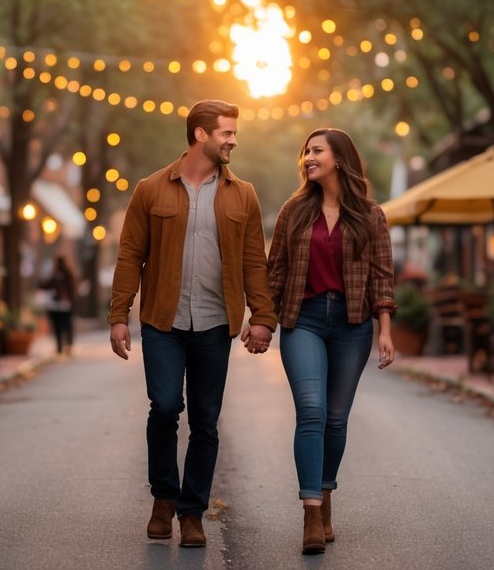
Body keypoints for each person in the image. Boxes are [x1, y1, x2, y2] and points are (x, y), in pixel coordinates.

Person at [109, 99, 276, 549]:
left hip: (214, 325)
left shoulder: (243, 194)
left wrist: (263, 316)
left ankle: (192, 512)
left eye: (234, 133)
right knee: (164, 408)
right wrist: (118, 315)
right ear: (201, 134)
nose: (233, 140)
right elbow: (130, 256)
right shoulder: (150, 189)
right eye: (226, 133)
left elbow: (253, 262)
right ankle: (163, 498)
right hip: (162, 322)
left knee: (205, 421)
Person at [266, 128, 396, 555]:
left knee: (337, 419)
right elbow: (276, 271)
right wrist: (262, 321)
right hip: (302, 319)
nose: (307, 157)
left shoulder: (371, 216)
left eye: (316, 150)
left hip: (351, 324)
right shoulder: (294, 211)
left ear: (338, 158)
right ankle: (310, 512)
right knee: (313, 411)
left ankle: (325, 500)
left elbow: (382, 276)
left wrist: (385, 331)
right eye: (305, 151)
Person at [45, 256, 76, 354]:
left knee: (61, 327)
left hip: (61, 305)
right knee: (64, 327)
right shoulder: (66, 275)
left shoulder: (62, 275)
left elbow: (47, 285)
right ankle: (64, 346)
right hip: (60, 305)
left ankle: (63, 346)